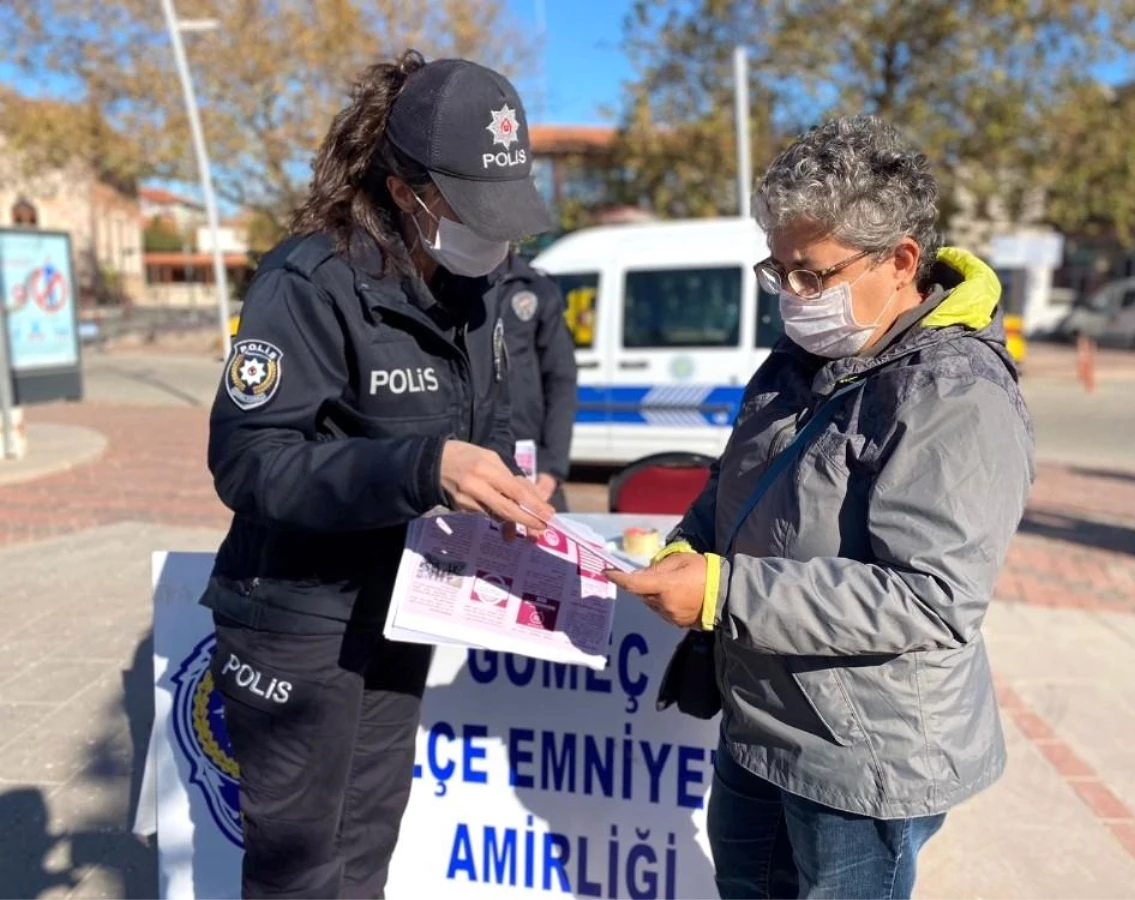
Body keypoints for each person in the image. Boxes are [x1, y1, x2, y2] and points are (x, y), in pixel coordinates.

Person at [608, 115, 1034, 900]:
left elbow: (930, 598)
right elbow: (736, 482)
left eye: (811, 275)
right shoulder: (802, 357)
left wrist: (719, 593)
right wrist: (686, 544)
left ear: (902, 261)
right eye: (778, 273)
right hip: (762, 722)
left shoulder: (956, 395)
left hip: (862, 751)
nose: (793, 299)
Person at [199, 50, 556, 900]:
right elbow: (250, 462)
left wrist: (512, 482)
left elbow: (490, 419)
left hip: (400, 609)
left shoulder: (477, 284)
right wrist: (425, 466)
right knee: (299, 874)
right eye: (475, 209)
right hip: (298, 623)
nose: (496, 237)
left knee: (365, 854)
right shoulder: (308, 279)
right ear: (406, 191)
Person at [488, 250, 578, 510]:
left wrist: (552, 465)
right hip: (471, 450)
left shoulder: (537, 288)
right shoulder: (449, 280)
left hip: (528, 452)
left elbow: (561, 379)